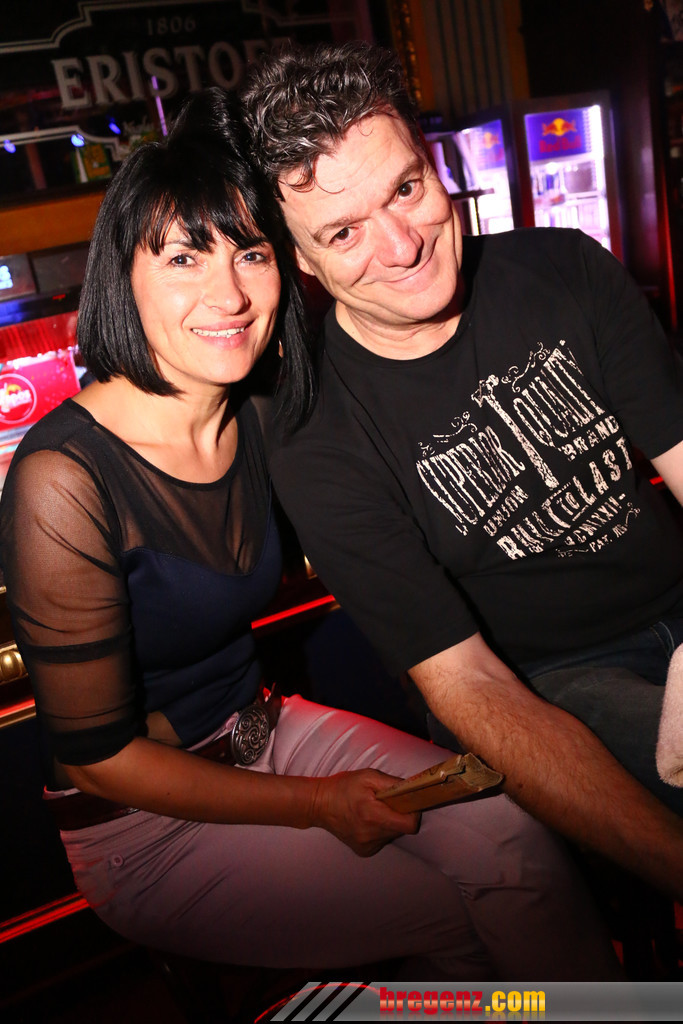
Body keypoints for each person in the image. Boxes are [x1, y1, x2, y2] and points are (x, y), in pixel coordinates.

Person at [0, 90, 622, 981]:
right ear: (120, 279)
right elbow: (97, 761)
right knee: (458, 912)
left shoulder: (262, 411)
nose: (227, 293)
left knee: (516, 843)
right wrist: (316, 803)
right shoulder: (63, 480)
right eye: (183, 257)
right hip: (143, 828)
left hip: (270, 731)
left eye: (250, 253)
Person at [241, 42, 683, 895]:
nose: (401, 246)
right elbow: (466, 682)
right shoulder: (312, 432)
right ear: (300, 259)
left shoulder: (563, 268)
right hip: (545, 683)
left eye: (405, 189)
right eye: (343, 232)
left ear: (434, 163)